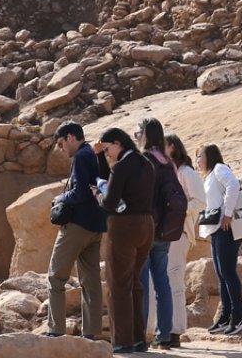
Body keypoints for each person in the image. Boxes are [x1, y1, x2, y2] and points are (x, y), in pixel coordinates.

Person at [45, 122, 107, 340]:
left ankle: (56, 331)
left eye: (61, 144)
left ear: (71, 137)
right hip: (96, 226)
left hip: (77, 225)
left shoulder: (81, 156)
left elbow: (80, 193)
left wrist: (59, 198)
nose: (61, 149)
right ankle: (91, 334)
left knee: (55, 278)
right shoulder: (94, 153)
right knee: (90, 282)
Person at [98, 127, 156, 353]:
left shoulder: (122, 167)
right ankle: (139, 339)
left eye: (107, 149)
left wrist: (97, 195)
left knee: (118, 285)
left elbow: (110, 201)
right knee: (134, 283)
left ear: (117, 143)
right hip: (147, 224)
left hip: (124, 227)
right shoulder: (146, 164)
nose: (107, 154)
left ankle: (122, 343)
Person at [155, 133, 205, 348]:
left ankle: (175, 330)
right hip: (164, 233)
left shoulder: (186, 172)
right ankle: (163, 329)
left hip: (179, 231)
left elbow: (200, 201)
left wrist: (178, 212)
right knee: (163, 281)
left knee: (174, 279)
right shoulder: (166, 172)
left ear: (172, 147)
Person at [136, 118, 181, 349]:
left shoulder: (144, 160)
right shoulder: (169, 162)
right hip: (165, 229)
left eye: (138, 132)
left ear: (145, 134)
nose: (136, 135)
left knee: (142, 283)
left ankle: (140, 335)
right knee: (162, 282)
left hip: (146, 228)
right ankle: (165, 335)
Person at [198, 144, 242, 335]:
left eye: (200, 156)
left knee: (228, 272)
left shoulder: (220, 168)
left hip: (227, 228)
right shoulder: (210, 175)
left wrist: (227, 214)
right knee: (221, 275)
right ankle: (226, 315)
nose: (197, 161)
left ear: (210, 156)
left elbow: (233, 186)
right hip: (217, 229)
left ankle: (239, 315)